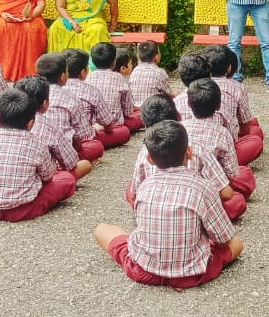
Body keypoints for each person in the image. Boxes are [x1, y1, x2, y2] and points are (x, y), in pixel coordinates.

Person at [94, 120, 243, 289]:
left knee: (102, 229)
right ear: (189, 151)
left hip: (144, 270)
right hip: (192, 274)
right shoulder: (203, 187)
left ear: (150, 159)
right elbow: (223, 240)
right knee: (236, 243)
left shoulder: (145, 187)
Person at [0, 89, 77, 222]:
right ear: (31, 123)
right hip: (24, 209)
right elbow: (47, 177)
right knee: (67, 179)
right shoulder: (37, 144)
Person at [127, 93, 246, 220]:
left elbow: (134, 195)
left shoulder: (145, 152)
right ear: (178, 116)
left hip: (155, 213)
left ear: (145, 125)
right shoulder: (196, 148)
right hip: (194, 210)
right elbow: (226, 194)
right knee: (236, 198)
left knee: (130, 190)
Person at [183, 78, 256, 198]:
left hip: (184, 187)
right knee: (238, 193)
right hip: (211, 186)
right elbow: (232, 173)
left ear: (189, 104)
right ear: (219, 105)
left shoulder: (179, 128)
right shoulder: (222, 133)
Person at [13, 75, 93, 182]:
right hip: (34, 184)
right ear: (45, 103)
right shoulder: (47, 125)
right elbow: (69, 162)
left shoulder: (9, 120)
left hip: (2, 186)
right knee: (83, 166)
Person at [36, 51, 105, 163]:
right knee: (96, 146)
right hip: (62, 152)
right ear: (63, 76)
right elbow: (85, 135)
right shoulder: (69, 98)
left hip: (36, 152)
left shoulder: (30, 94)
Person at [65, 47, 130, 149]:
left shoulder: (53, 90)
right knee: (124, 131)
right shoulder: (90, 89)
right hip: (85, 137)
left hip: (60, 140)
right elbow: (110, 124)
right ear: (83, 72)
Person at [86, 42, 141, 137]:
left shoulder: (88, 77)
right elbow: (128, 112)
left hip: (92, 124)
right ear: (114, 61)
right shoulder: (119, 78)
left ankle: (98, 133)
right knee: (139, 116)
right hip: (114, 126)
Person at [130, 41, 171, 109]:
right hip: (153, 113)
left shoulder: (134, 72)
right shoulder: (160, 73)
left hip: (136, 111)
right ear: (157, 57)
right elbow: (169, 95)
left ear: (139, 57)